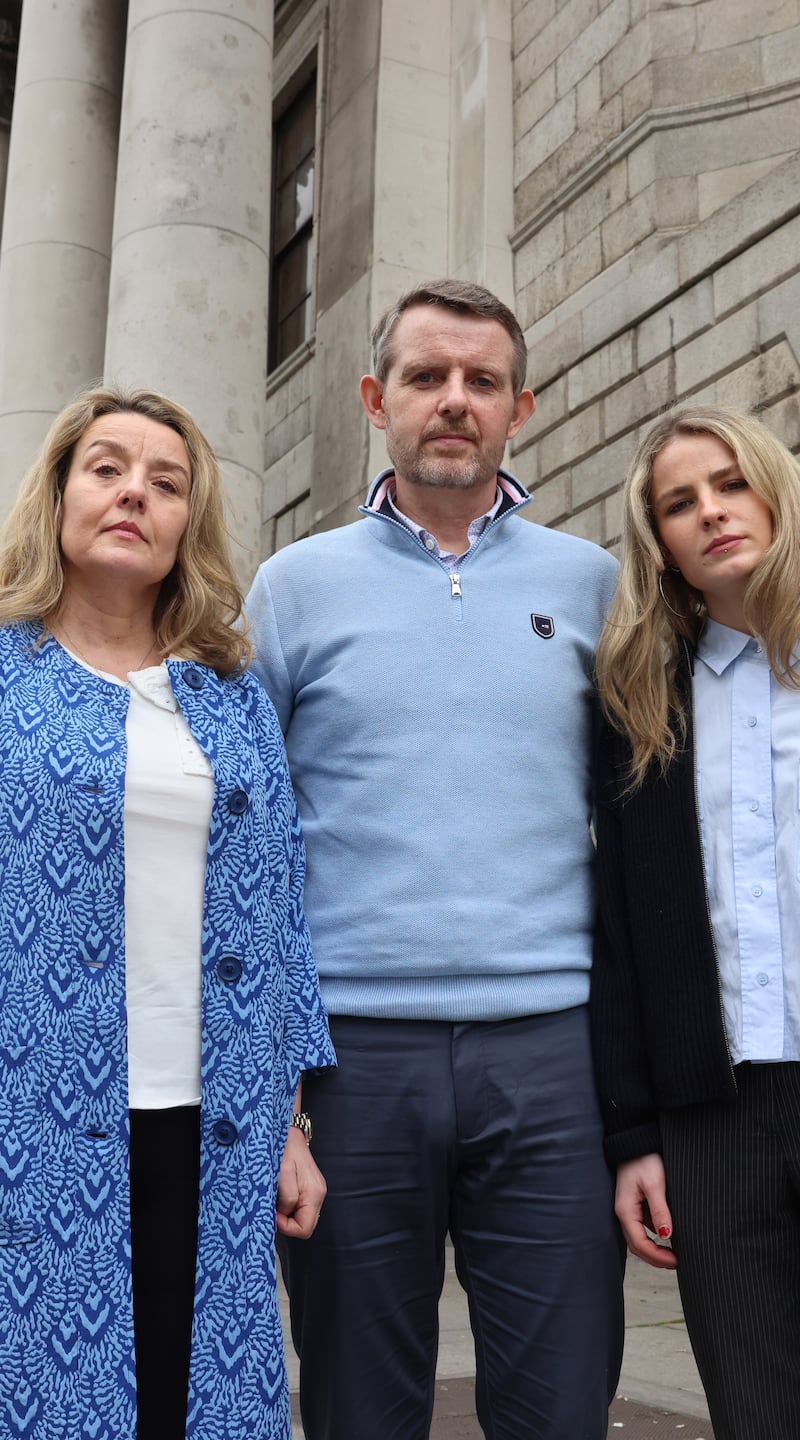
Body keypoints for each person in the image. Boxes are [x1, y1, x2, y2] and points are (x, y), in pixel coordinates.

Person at [246, 279, 624, 1440]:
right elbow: (250, 847)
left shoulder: (592, 584)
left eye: (480, 381)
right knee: (358, 1404)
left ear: (520, 405)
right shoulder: (292, 589)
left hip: (553, 1054)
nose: (452, 402)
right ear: (375, 398)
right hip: (353, 1061)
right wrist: (280, 1101)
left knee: (559, 1401)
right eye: (424, 377)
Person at [0, 385, 335, 1440]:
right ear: (57, 495)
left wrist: (290, 1120)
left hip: (214, 1122)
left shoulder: (228, 693)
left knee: (191, 1398)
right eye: (105, 468)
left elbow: (279, 911)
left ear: (190, 520)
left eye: (166, 481)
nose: (134, 492)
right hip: (35, 1119)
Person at [592, 404, 800, 1440]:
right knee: (755, 1413)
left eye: (728, 483)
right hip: (711, 1118)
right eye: (679, 503)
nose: (711, 512)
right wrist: (632, 1134)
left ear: (774, 489)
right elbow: (620, 935)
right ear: (659, 545)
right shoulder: (639, 706)